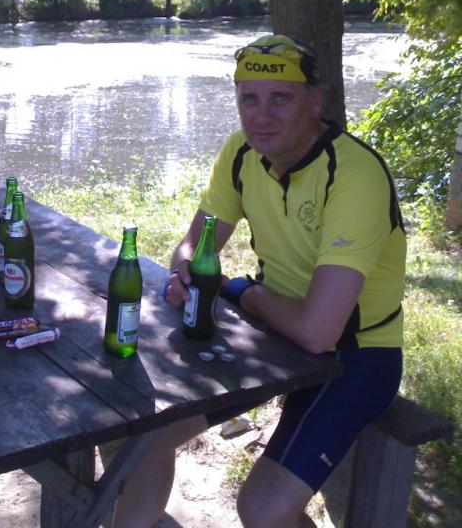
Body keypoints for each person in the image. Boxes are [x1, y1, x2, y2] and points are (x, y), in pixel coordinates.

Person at [111, 35, 406, 527]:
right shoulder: (242, 152)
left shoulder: (354, 175)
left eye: (281, 98)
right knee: (145, 436)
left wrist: (243, 292)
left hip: (356, 353)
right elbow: (194, 244)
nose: (262, 116)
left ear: (315, 100)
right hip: (271, 336)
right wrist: (185, 271)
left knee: (263, 510)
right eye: (250, 98)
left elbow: (318, 332)